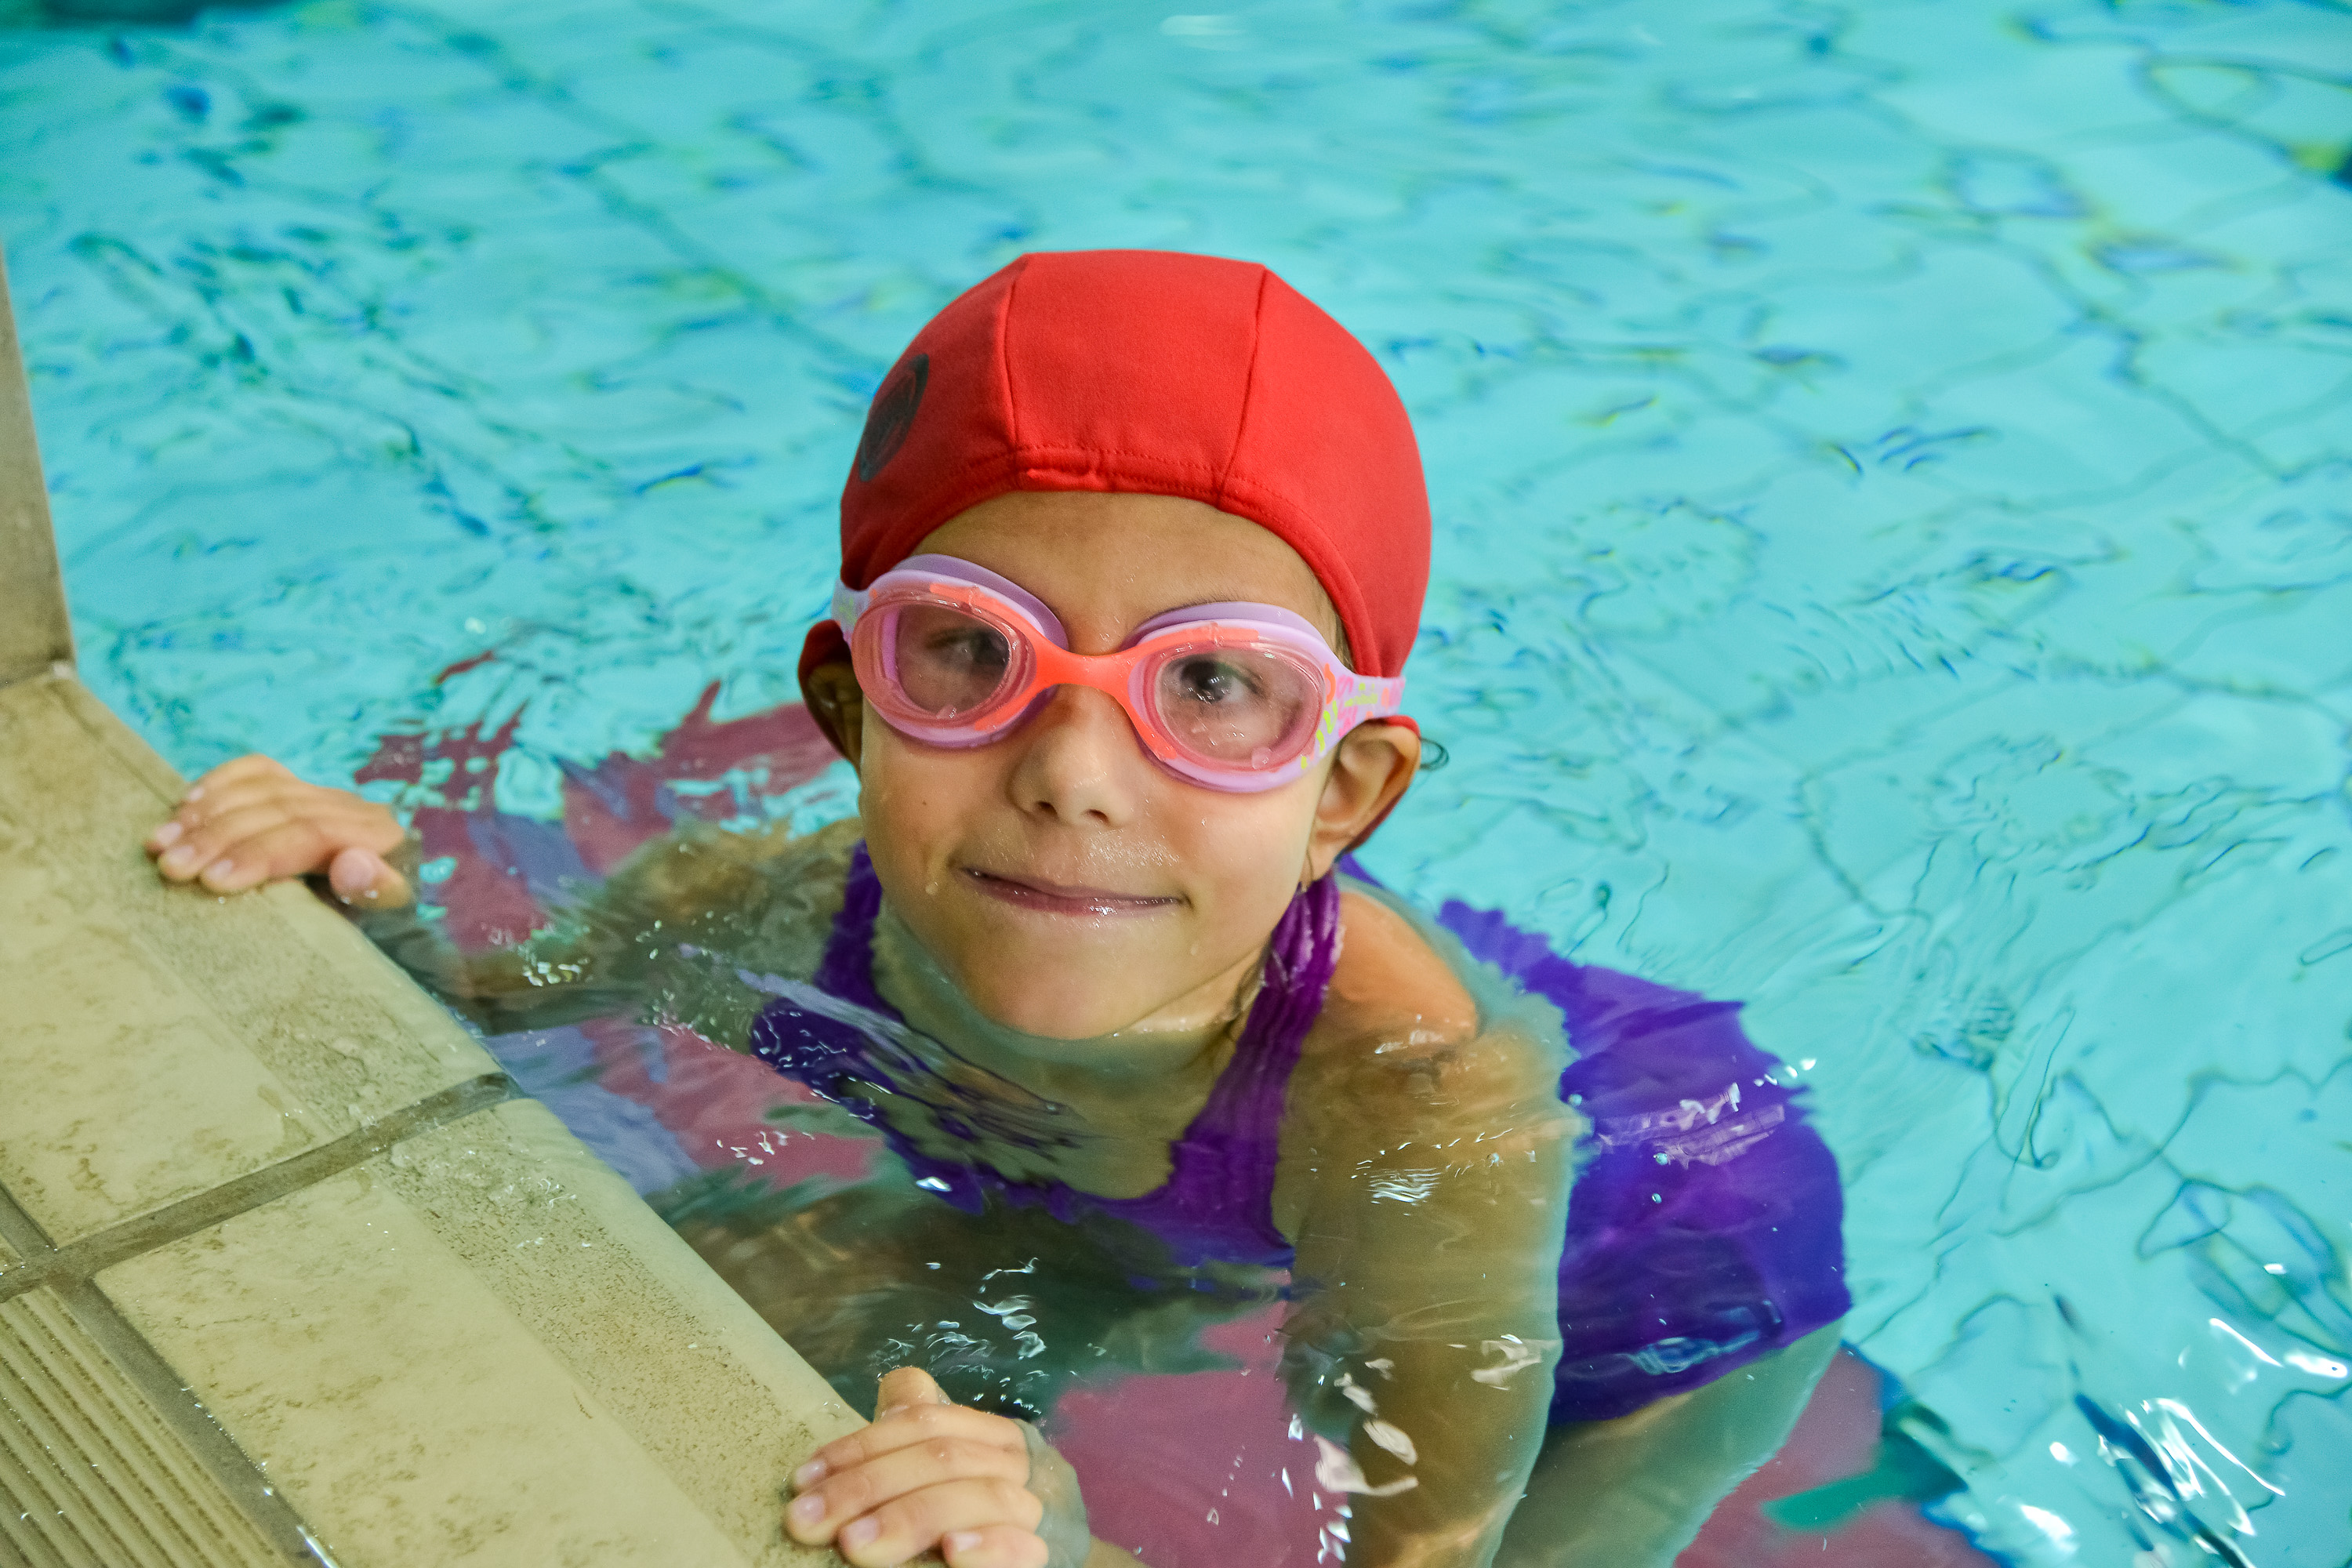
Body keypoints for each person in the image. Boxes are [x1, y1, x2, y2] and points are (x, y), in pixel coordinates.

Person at [145, 249, 1849, 1568]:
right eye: (973, 653)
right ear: (846, 706)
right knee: (755, 1327)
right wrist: (351, 908)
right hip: (1118, 1185)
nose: (1077, 775)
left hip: (1675, 1279)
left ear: (1346, 793)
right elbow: (479, 1035)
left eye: (1212, 687)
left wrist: (1068, 1536)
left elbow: (1408, 1549)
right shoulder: (767, 902)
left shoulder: (1421, 1116)